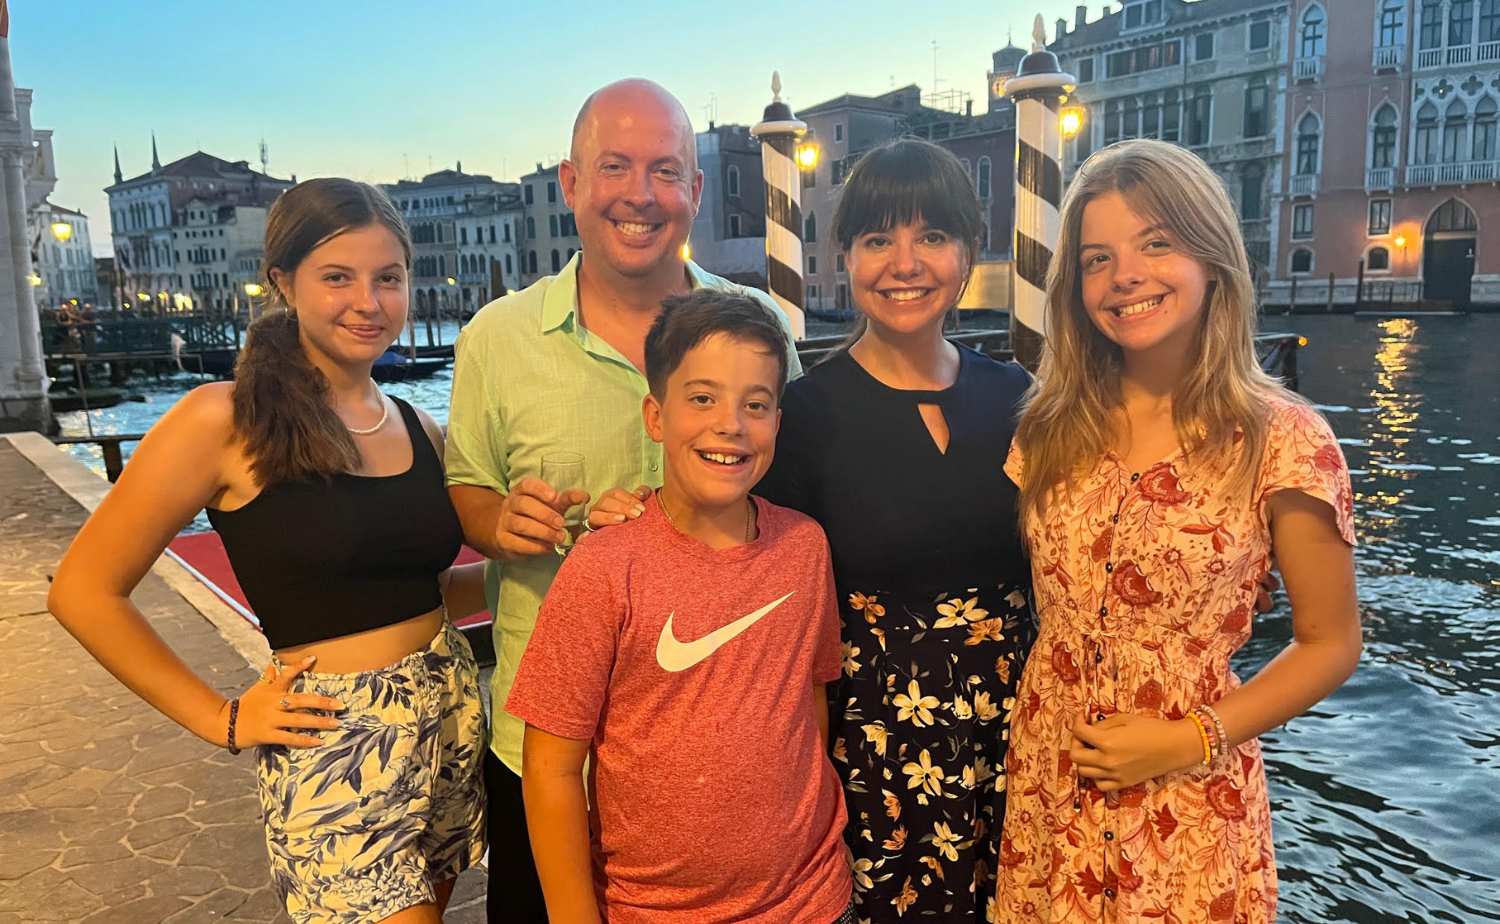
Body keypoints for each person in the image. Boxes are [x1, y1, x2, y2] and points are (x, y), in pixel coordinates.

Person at [48, 178, 488, 924]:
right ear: (283, 282)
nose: (369, 302)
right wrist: (220, 719)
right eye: (337, 277)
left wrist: (557, 560)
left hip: (448, 726)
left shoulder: (417, 425)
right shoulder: (222, 418)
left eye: (389, 278)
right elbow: (82, 591)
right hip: (338, 752)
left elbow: (425, 590)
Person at [443, 78, 801, 923]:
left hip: (717, 757)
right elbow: (468, 483)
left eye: (665, 170)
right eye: (614, 167)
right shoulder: (496, 337)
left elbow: (785, 489)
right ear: (571, 183)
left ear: (695, 192)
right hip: (547, 759)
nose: (640, 194)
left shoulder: (757, 325)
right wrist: (500, 523)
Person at [993, 138, 1361, 923]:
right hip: (1051, 782)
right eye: (1096, 258)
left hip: (1189, 794)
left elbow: (1331, 641)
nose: (1124, 274)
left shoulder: (1285, 438)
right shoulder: (1051, 427)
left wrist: (1187, 739)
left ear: (1211, 259)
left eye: (1156, 243)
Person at [507, 290, 853, 924]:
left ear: (779, 419)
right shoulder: (604, 566)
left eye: (756, 404)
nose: (731, 423)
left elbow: (809, 697)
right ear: (655, 416)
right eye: (702, 398)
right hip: (653, 910)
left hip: (812, 898)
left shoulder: (806, 546)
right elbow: (551, 768)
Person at [756, 137, 1034, 923]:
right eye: (878, 239)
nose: (904, 263)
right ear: (845, 256)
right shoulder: (805, 417)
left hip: (1021, 733)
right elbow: (763, 590)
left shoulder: (1019, 398)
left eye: (932, 238)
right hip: (878, 748)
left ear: (969, 254)